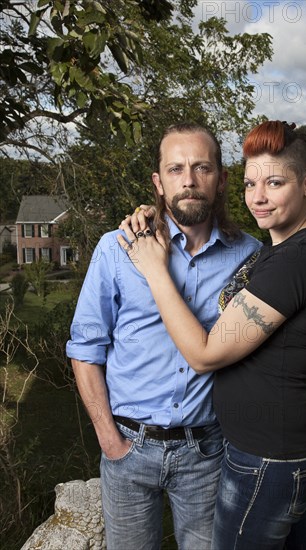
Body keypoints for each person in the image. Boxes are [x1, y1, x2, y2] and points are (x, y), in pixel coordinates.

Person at [118, 120, 306, 549]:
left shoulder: (297, 260)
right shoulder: (281, 250)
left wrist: (154, 268)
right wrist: (158, 213)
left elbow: (205, 355)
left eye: (275, 182)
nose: (258, 197)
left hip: (269, 459)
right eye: (250, 183)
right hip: (274, 452)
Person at [65, 122, 260, 550]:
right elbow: (85, 350)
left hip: (207, 452)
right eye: (175, 169)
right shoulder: (116, 249)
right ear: (158, 181)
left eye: (201, 167)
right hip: (128, 449)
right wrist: (109, 439)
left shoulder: (248, 257)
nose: (188, 180)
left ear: (222, 179)